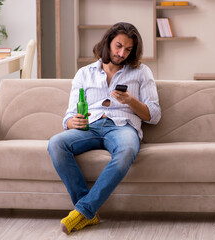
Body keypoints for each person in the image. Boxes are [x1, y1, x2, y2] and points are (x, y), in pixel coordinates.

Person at [47, 22, 161, 234]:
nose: (121, 53)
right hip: (90, 127)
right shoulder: (84, 73)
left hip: (122, 127)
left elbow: (153, 115)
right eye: (118, 46)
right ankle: (87, 213)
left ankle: (82, 211)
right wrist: (74, 122)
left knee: (127, 150)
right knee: (56, 143)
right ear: (107, 42)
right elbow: (69, 116)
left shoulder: (141, 72)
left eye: (128, 49)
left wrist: (130, 101)